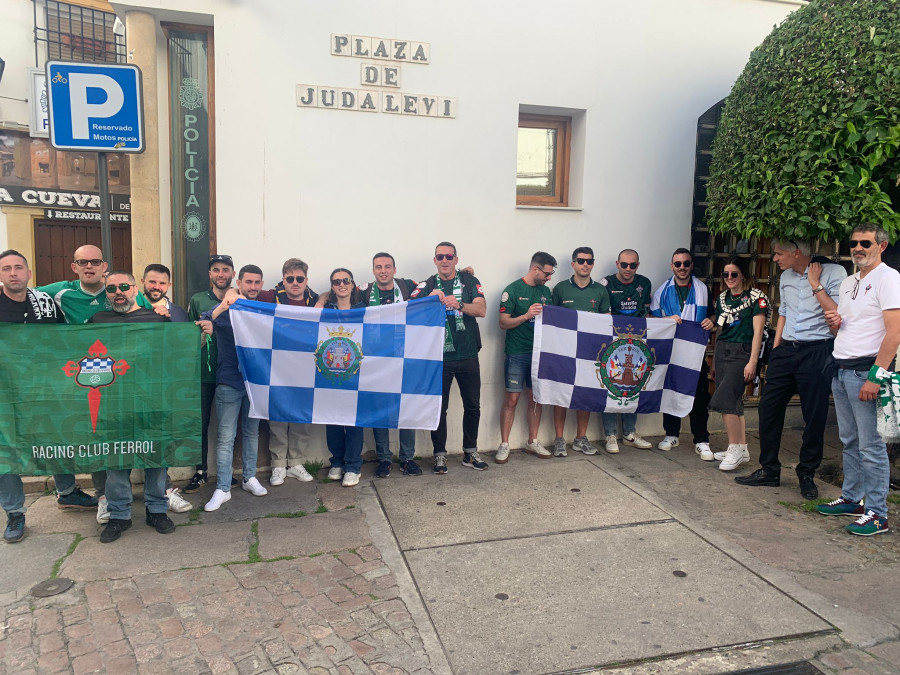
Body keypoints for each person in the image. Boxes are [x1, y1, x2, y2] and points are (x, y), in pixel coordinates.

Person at [735, 240, 846, 499]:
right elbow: (783, 311)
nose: (774, 258)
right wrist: (776, 349)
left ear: (797, 253)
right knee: (768, 407)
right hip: (786, 350)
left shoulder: (834, 273)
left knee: (814, 414)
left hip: (817, 349)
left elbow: (837, 314)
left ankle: (806, 473)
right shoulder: (785, 276)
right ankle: (769, 469)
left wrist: (815, 283)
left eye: (779, 253)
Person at [817, 223, 900, 536]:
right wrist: (835, 323)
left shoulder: (889, 279)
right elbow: (846, 327)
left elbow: (895, 332)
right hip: (841, 370)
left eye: (865, 242)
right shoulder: (851, 281)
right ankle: (852, 498)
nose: (858, 248)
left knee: (872, 446)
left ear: (882, 245)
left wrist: (876, 377)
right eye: (853, 243)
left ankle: (878, 513)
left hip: (866, 372)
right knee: (849, 441)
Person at [88, 271, 175, 543]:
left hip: (152, 399)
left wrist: (201, 330)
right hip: (114, 401)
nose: (118, 292)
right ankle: (119, 515)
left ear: (135, 289)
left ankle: (157, 510)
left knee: (156, 457)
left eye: (124, 286)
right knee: (116, 459)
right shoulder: (97, 321)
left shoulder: (157, 318)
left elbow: (178, 350)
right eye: (111, 288)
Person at [0, 249, 80, 543]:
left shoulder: (44, 301)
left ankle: (68, 492)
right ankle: (14, 512)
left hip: (44, 388)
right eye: (6, 268)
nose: (13, 273)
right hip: (5, 393)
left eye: (18, 267)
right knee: (6, 449)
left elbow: (61, 338)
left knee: (56, 438)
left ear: (29, 273)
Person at [35, 244, 118, 518]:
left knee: (99, 432)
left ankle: (106, 493)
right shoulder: (58, 291)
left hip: (109, 375)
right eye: (83, 262)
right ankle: (67, 492)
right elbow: (22, 296)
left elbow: (140, 315)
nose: (89, 266)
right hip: (70, 375)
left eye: (95, 261)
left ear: (104, 265)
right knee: (63, 432)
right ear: (74, 267)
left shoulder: (117, 290)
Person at [410, 242, 488, 473]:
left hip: (468, 353)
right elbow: (408, 309)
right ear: (434, 260)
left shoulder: (470, 281)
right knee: (439, 408)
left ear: (456, 259)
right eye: (440, 256)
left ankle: (470, 451)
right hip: (439, 357)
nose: (444, 260)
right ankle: (439, 455)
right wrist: (427, 300)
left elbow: (482, 309)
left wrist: (461, 304)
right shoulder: (427, 284)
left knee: (472, 406)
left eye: (449, 256)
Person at [201, 264, 269, 511]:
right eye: (248, 282)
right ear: (239, 282)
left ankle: (250, 477)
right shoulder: (228, 307)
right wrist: (224, 304)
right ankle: (223, 488)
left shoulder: (263, 309)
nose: (253, 287)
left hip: (255, 383)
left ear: (261, 285)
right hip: (228, 381)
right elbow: (205, 321)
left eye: (257, 282)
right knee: (225, 438)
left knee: (252, 433)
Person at [701, 258, 768, 472]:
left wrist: (753, 361)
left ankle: (733, 447)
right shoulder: (722, 298)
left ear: (744, 276)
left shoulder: (756, 297)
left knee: (725, 399)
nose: (729, 278)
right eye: (726, 274)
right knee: (734, 401)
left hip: (743, 350)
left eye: (734, 274)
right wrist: (714, 358)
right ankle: (741, 447)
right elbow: (720, 329)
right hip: (724, 350)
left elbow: (758, 332)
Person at [358, 253, 421, 477]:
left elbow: (437, 288)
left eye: (387, 267)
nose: (383, 271)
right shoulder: (364, 291)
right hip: (376, 361)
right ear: (373, 270)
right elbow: (339, 294)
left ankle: (407, 458)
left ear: (395, 269)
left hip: (405, 358)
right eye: (378, 267)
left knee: (406, 408)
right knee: (380, 411)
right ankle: (384, 458)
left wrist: (466, 273)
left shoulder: (408, 287)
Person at [138, 263, 194, 513]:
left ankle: (163, 490)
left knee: (162, 441)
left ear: (168, 286)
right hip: (135, 387)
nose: (156, 287)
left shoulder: (180, 312)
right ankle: (118, 498)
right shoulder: (131, 308)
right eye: (152, 282)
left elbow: (186, 347)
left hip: (166, 387)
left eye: (161, 283)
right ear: (143, 282)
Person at [257, 258, 318, 485]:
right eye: (290, 278)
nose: (295, 282)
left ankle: (297, 463)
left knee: (301, 418)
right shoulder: (271, 297)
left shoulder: (314, 301)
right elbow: (244, 292)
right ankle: (278, 465)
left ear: (306, 280)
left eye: (299, 278)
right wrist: (233, 292)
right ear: (283, 279)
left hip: (305, 369)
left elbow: (333, 295)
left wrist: (322, 298)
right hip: (277, 368)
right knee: (278, 419)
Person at [650, 248, 713, 458]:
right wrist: (667, 320)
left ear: (691, 265)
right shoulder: (662, 292)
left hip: (695, 353)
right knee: (670, 392)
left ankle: (701, 439)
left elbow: (713, 317)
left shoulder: (703, 289)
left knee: (700, 396)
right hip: (672, 352)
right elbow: (653, 320)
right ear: (672, 266)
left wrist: (711, 322)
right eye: (678, 264)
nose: (682, 267)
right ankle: (671, 433)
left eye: (686, 263)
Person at [497, 251, 557, 464]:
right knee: (512, 399)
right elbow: (503, 323)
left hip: (539, 353)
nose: (549, 278)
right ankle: (504, 444)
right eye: (547, 273)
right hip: (517, 352)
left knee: (535, 398)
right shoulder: (512, 290)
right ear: (535, 269)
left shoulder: (546, 292)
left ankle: (532, 440)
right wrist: (525, 316)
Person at [550, 247, 610, 457]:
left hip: (590, 352)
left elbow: (606, 322)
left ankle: (580, 439)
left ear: (593, 264)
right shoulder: (560, 289)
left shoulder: (600, 291)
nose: (585, 264)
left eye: (589, 261)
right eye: (581, 260)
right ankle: (559, 439)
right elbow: (551, 320)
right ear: (573, 263)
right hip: (563, 351)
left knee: (584, 394)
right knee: (561, 394)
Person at [185, 254, 236, 494]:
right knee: (201, 424)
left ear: (232, 274)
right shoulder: (197, 300)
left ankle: (228, 472)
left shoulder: (238, 298)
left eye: (225, 270)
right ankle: (200, 471)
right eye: (216, 270)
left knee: (228, 427)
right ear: (210, 274)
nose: (221, 274)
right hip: (204, 372)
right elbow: (189, 335)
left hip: (230, 372)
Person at [315, 269, 367, 486]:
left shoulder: (364, 310)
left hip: (356, 372)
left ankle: (353, 466)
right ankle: (337, 462)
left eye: (346, 280)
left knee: (354, 421)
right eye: (336, 282)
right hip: (330, 373)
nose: (342, 284)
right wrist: (321, 300)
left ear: (353, 284)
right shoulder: (325, 310)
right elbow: (310, 323)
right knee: (332, 419)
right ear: (332, 287)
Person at [599, 249, 653, 453]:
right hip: (612, 339)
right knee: (610, 382)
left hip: (637, 340)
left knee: (634, 383)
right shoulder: (606, 283)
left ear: (638, 265)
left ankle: (630, 433)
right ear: (617, 264)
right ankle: (610, 434)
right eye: (624, 265)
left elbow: (646, 311)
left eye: (633, 265)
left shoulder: (644, 282)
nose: (628, 269)